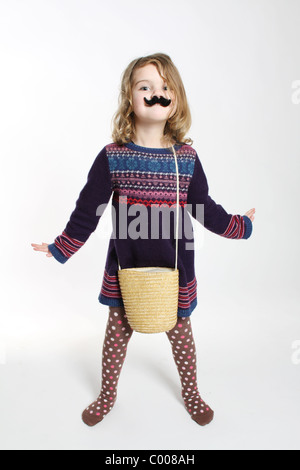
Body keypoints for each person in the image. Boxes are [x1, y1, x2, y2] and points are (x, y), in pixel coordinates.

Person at [32, 53, 255, 427]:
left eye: (165, 87)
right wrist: (61, 246)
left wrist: (239, 226)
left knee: (182, 337)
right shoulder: (112, 157)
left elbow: (205, 209)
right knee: (116, 339)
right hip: (126, 271)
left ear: (177, 98)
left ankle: (191, 392)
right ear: (129, 98)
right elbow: (89, 210)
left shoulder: (186, 159)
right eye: (145, 86)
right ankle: (107, 395)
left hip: (175, 272)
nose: (156, 93)